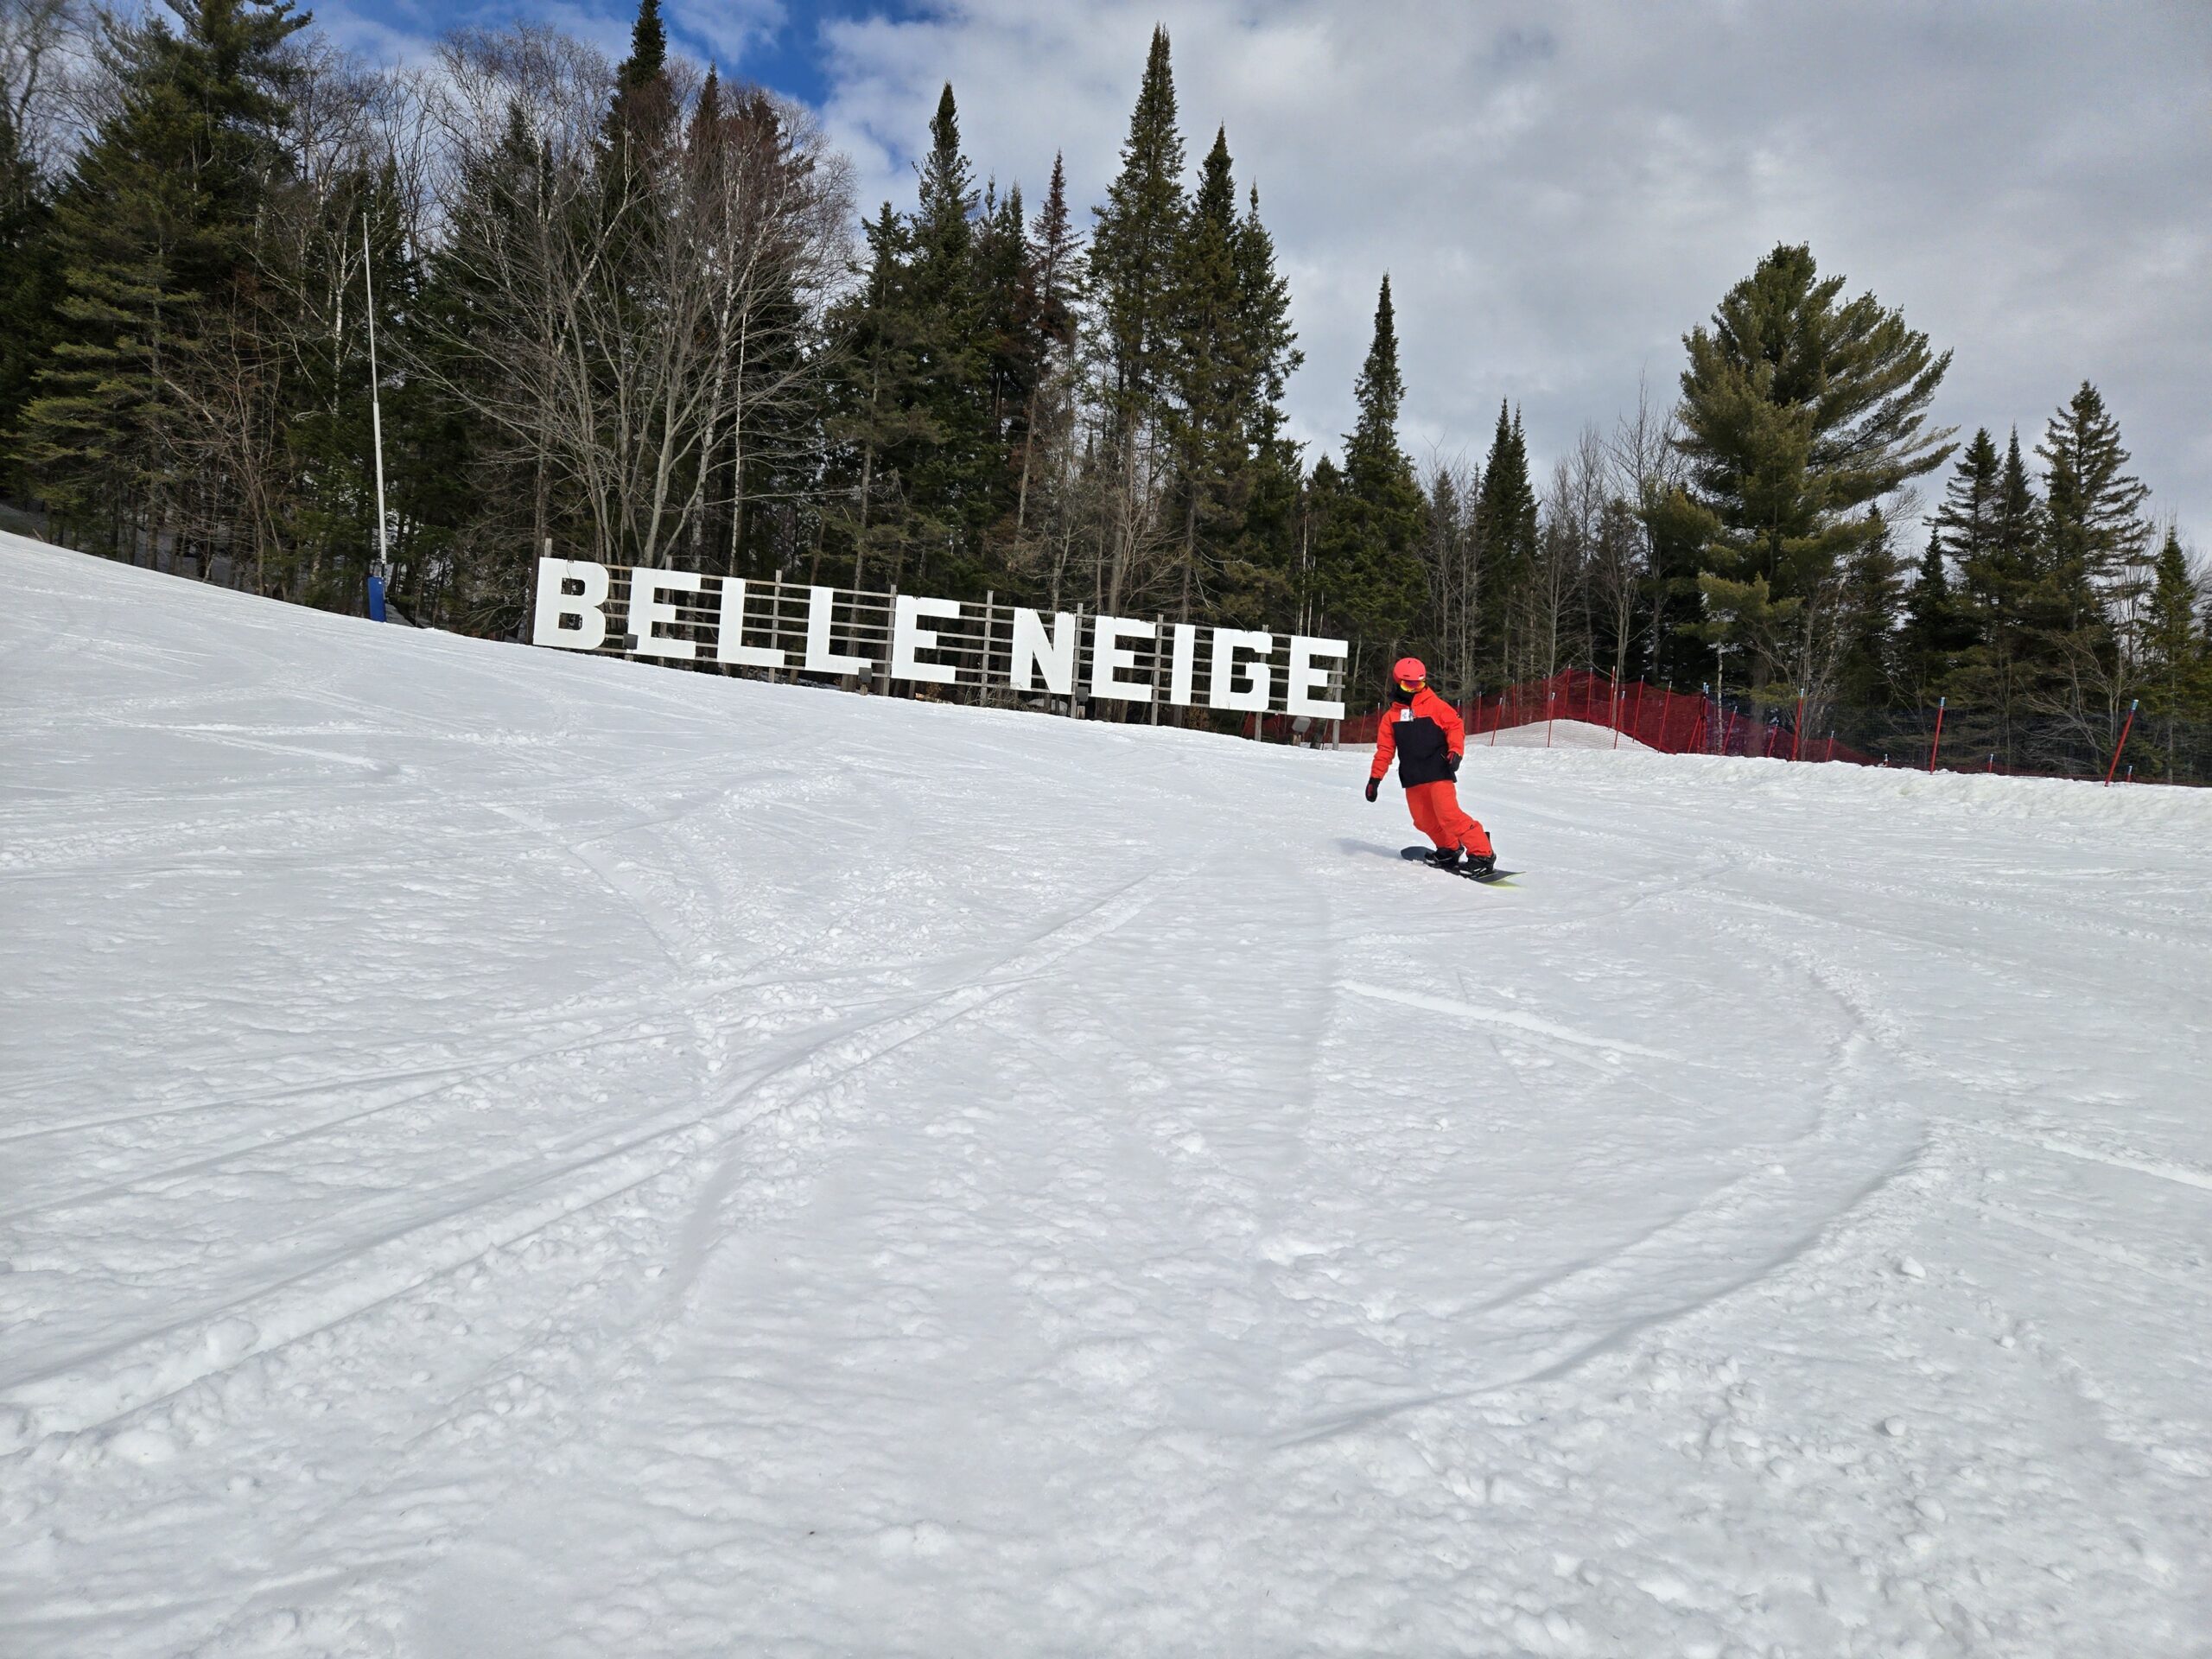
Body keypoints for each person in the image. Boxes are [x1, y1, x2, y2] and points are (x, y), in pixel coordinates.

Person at [1363, 657, 1497, 874]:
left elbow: (1455, 726)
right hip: (1413, 776)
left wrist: (1456, 751)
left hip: (1438, 771)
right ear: (1398, 683)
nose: (1415, 689)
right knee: (1423, 821)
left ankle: (1483, 853)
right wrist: (1374, 779)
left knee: (1449, 816)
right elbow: (1385, 750)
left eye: (1419, 684)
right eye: (1409, 685)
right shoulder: (1391, 717)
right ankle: (1449, 848)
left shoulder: (1435, 706)